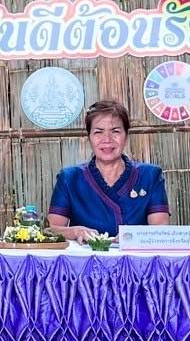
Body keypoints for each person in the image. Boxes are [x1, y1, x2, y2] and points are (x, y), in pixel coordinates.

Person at [47, 99, 169, 239]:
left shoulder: (150, 175)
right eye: (98, 132)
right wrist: (75, 231)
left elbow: (160, 229)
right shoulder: (70, 177)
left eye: (115, 131)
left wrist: (131, 237)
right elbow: (51, 230)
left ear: (126, 135)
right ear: (89, 137)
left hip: (137, 260)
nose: (107, 139)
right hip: (85, 260)